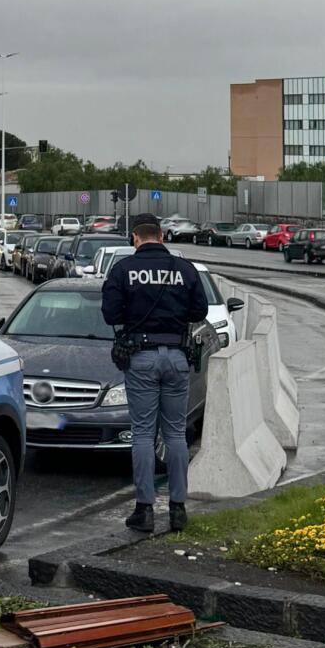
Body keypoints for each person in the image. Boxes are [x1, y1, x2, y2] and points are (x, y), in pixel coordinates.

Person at [101, 214, 208, 534]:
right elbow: (199, 311)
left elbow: (110, 314)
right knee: (176, 434)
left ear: (135, 237)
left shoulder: (122, 270)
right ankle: (177, 511)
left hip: (141, 359)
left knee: (144, 434)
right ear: (161, 235)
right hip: (176, 357)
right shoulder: (185, 269)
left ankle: (144, 511)